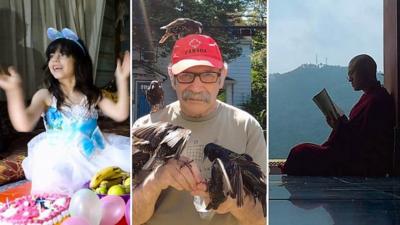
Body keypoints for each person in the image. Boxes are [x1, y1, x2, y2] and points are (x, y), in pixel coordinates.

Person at [133, 34, 266, 225]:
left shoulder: (247, 127)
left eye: (208, 75)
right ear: (172, 78)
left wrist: (233, 202)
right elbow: (132, 217)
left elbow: (262, 218)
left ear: (221, 78)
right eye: (186, 75)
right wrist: (155, 181)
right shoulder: (143, 128)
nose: (196, 86)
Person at [0, 28, 130, 194]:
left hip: (96, 152)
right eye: (52, 55)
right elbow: (24, 124)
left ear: (78, 61)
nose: (55, 59)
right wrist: (14, 91)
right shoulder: (45, 96)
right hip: (59, 156)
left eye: (63, 54)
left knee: (121, 174)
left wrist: (122, 79)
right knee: (59, 181)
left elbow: (120, 114)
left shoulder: (92, 95)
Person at [283, 54, 394, 176]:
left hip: (360, 162)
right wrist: (340, 123)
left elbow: (364, 141)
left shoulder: (377, 100)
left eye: (352, 73)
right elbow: (356, 131)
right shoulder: (370, 97)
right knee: (300, 152)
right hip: (351, 154)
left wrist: (339, 126)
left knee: (300, 152)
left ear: (365, 72)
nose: (350, 78)